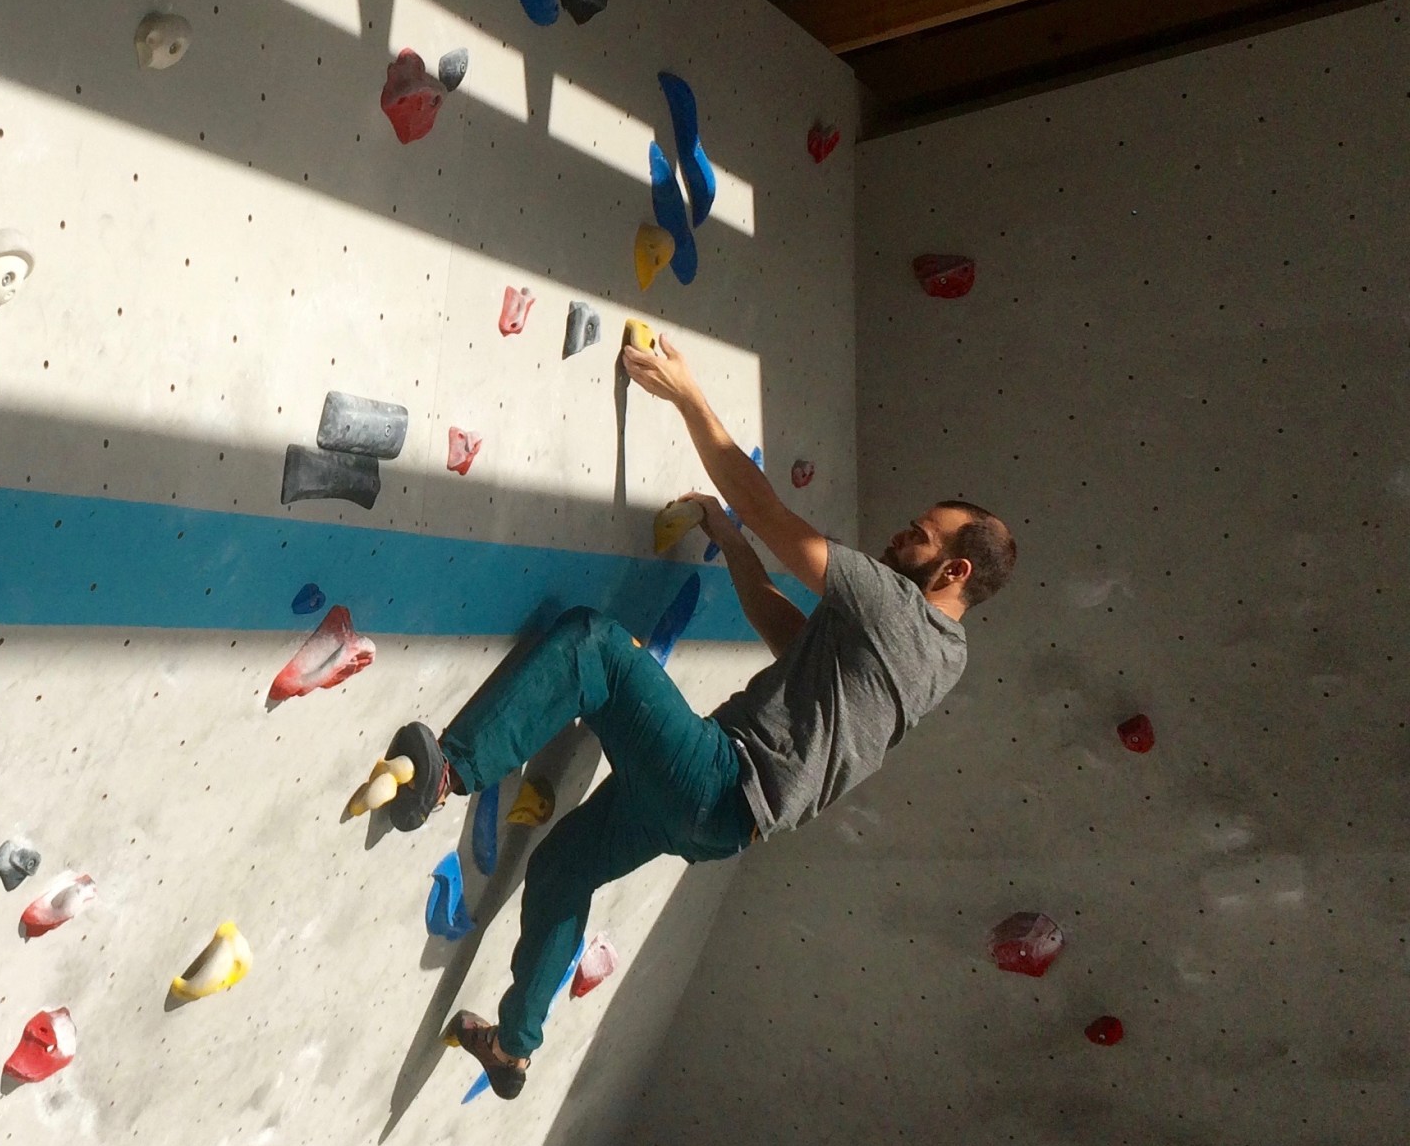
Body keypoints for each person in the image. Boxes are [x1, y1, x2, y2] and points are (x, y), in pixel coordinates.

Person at [375, 335, 1018, 1099]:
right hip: (722, 822)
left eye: (918, 536)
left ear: (953, 571)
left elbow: (768, 509)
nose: (897, 536)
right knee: (562, 868)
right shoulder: (941, 655)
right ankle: (512, 1048)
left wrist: (685, 395)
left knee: (594, 647)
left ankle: (448, 773)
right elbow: (790, 635)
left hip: (717, 776)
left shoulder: (900, 611)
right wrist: (732, 543)